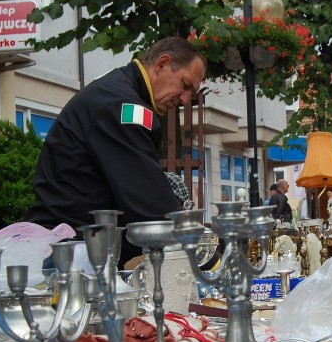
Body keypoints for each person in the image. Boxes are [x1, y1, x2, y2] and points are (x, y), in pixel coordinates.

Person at [26, 37, 206, 266]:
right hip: (72, 255)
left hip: (70, 246)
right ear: (161, 64)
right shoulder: (125, 107)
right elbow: (150, 203)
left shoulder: (117, 93)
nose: (185, 99)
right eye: (185, 85)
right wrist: (206, 257)